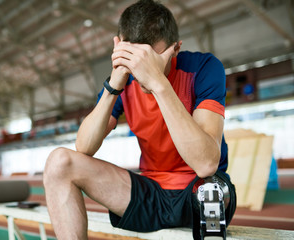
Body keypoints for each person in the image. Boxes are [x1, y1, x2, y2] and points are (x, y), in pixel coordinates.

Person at [43, 0, 236, 239]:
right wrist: (114, 85)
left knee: (212, 191)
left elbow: (206, 163)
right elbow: (84, 147)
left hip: (198, 193)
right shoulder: (122, 81)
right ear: (119, 46)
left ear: (175, 49)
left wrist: (158, 82)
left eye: (151, 60)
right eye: (135, 60)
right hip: (149, 192)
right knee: (59, 163)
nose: (141, 71)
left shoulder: (203, 68)